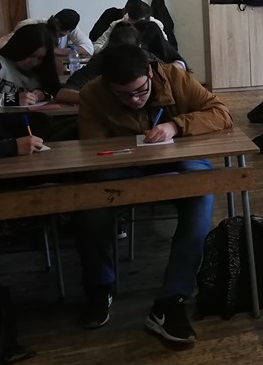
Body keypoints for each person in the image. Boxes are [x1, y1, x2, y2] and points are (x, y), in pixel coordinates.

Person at [75, 44, 233, 344]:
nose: (135, 100)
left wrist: (175, 125)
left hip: (177, 156)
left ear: (150, 72)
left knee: (201, 191)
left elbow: (221, 112)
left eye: (140, 91)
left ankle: (171, 300)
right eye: (123, 95)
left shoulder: (174, 77)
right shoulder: (92, 94)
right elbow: (92, 149)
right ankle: (99, 286)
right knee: (91, 201)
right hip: (123, 164)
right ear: (107, 85)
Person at [0, 23, 61, 107]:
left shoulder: (40, 70)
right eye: (31, 56)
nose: (34, 63)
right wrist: (13, 99)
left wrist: (43, 94)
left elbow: (54, 91)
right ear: (19, 48)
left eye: (40, 58)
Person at [0, 9, 93, 57]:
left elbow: (88, 49)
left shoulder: (72, 30)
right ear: (51, 20)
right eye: (54, 30)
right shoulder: (29, 25)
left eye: (61, 35)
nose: (56, 35)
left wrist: (56, 51)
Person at [92, 0, 168, 52]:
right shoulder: (118, 25)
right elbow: (96, 47)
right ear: (128, 17)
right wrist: (111, 47)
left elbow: (166, 49)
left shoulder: (155, 25)